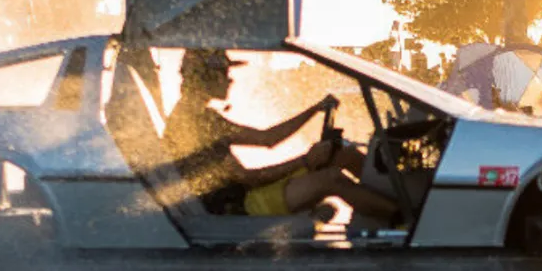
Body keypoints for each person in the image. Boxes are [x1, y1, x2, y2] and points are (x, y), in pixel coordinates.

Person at [162, 48, 398, 225]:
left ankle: (399, 199)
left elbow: (267, 139)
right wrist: (306, 161)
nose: (230, 79)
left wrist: (315, 110)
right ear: (206, 77)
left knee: (341, 156)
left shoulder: (197, 115)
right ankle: (405, 219)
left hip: (246, 195)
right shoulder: (198, 122)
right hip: (240, 207)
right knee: (331, 179)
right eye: (225, 73)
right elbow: (249, 179)